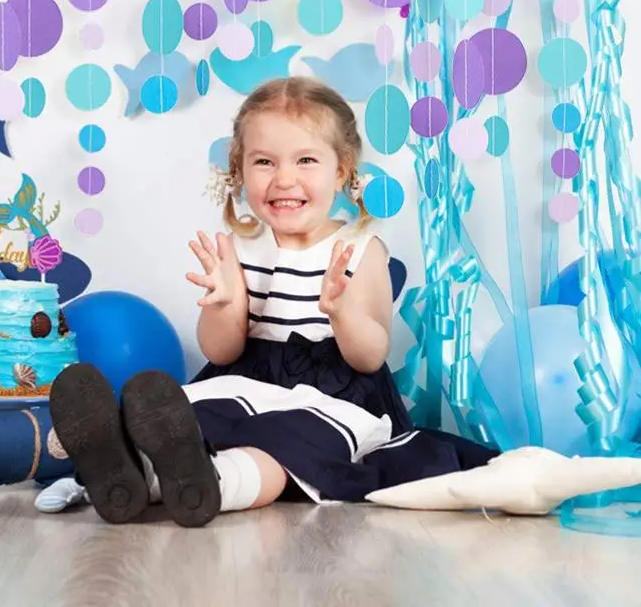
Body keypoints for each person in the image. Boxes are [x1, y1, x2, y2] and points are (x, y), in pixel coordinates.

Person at [42, 77, 497, 527]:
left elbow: (370, 356)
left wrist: (342, 314)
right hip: (248, 378)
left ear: (341, 170)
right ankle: (117, 475)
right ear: (239, 172)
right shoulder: (240, 249)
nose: (284, 179)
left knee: (286, 445)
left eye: (305, 160)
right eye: (264, 162)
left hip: (333, 391)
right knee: (189, 417)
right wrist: (223, 304)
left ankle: (211, 481)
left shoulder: (360, 248)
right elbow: (222, 353)